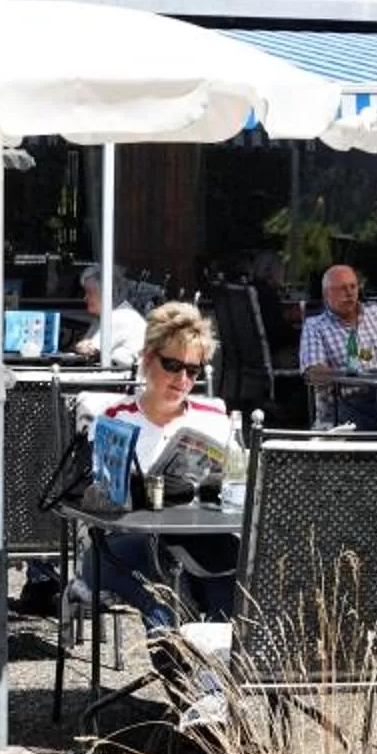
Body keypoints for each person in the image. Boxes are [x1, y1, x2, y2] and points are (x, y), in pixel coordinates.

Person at [88, 303, 244, 658]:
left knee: (232, 586)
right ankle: (184, 692)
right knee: (166, 597)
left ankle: (211, 693)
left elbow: (238, 484)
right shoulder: (113, 419)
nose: (183, 380)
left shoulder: (215, 419)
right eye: (172, 365)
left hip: (198, 539)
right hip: (124, 542)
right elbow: (97, 497)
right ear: (147, 358)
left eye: (193, 370)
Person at [297, 263, 377, 429]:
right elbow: (313, 374)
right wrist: (353, 377)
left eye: (353, 286)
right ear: (327, 294)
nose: (349, 293)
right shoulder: (315, 326)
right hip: (344, 410)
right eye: (342, 288)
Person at [73, 266, 147, 369]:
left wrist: (83, 346)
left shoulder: (122, 316)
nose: (85, 298)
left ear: (107, 293)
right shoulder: (102, 318)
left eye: (89, 293)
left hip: (125, 382)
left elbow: (88, 350)